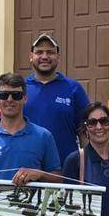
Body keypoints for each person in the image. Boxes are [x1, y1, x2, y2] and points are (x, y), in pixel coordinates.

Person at [0, 73, 61, 185]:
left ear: (25, 98)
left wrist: (39, 174)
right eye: (4, 95)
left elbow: (58, 179)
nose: (10, 99)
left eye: (16, 95)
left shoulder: (43, 136)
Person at [23, 34, 90, 163]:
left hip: (66, 166)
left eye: (50, 52)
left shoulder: (73, 88)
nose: (44, 57)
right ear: (31, 56)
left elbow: (84, 131)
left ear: (58, 57)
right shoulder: (20, 89)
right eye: (39, 52)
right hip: (28, 166)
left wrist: (88, 166)